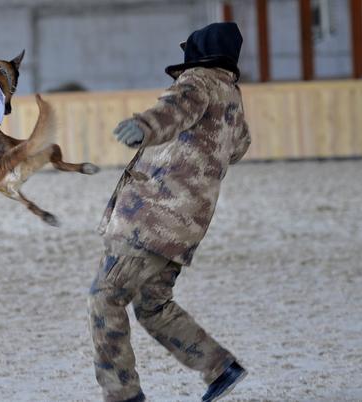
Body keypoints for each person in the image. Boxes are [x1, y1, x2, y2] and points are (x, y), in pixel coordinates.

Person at [87, 22, 252, 402]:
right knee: (152, 305)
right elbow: (239, 146)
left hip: (150, 219)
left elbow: (174, 109)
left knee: (104, 297)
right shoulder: (231, 96)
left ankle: (122, 394)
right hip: (186, 227)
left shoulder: (199, 81)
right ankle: (218, 366)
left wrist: (144, 127)